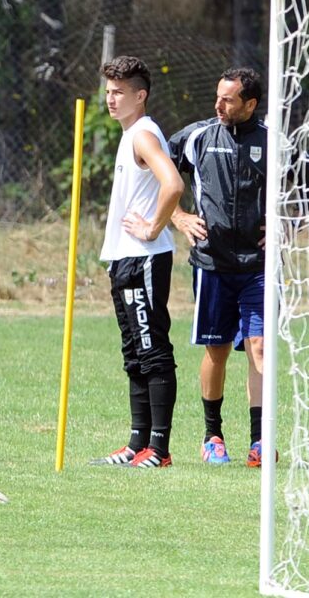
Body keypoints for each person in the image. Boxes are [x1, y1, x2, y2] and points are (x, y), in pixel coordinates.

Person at [167, 67, 268, 467]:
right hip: (211, 264)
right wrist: (176, 216)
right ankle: (213, 436)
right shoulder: (198, 137)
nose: (218, 105)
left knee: (259, 346)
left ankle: (261, 441)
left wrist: (287, 224)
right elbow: (155, 167)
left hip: (260, 267)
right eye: (217, 96)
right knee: (218, 349)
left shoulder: (274, 141)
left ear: (251, 104)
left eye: (228, 99)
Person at [91, 55, 184, 469]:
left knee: (152, 350)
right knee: (134, 352)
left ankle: (159, 450)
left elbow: (174, 183)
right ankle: (136, 444)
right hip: (123, 260)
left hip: (144, 258)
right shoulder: (130, 134)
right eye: (108, 92)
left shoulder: (143, 134)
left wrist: (152, 228)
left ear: (140, 95)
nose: (111, 99)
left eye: (119, 92)